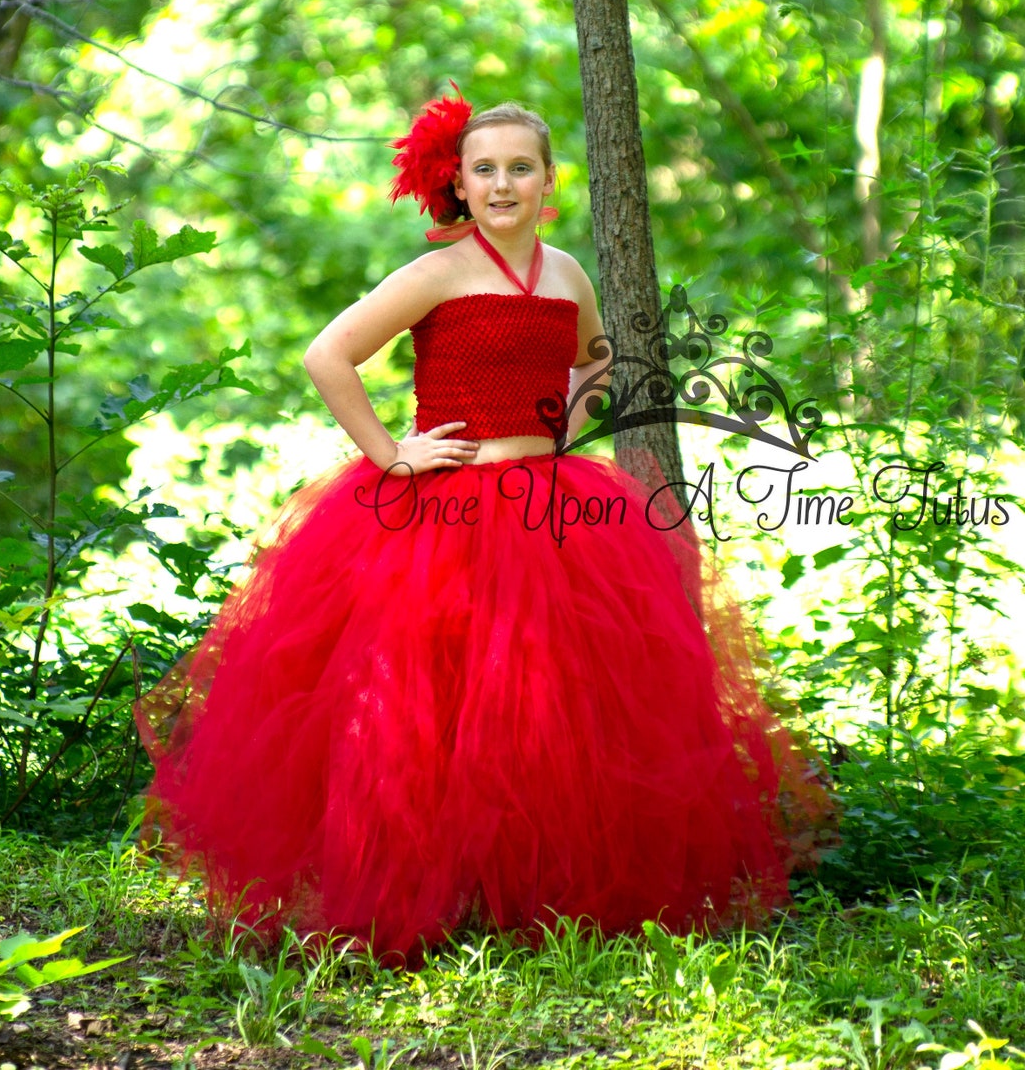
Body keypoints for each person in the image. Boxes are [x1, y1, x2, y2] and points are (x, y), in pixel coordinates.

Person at [135, 90, 828, 965]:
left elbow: (598, 355)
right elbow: (328, 354)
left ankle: (539, 894)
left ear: (549, 183)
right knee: (429, 709)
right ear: (458, 185)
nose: (503, 184)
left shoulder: (567, 272)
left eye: (521, 168)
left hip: (555, 508)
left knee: (554, 706)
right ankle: (423, 891)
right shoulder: (438, 272)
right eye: (485, 169)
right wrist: (390, 453)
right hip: (447, 512)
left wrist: (571, 427)